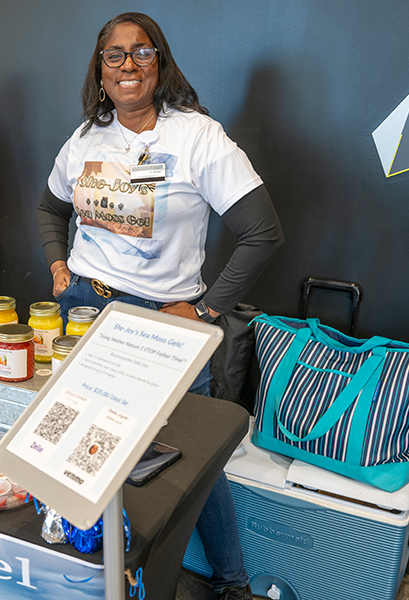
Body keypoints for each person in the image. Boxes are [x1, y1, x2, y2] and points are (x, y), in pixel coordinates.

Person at [37, 13, 284, 600]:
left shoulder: (197, 136)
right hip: (84, 311)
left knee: (194, 457)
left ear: (160, 63)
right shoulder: (86, 138)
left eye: (141, 52)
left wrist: (205, 312)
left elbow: (262, 233)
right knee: (84, 445)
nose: (127, 64)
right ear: (99, 72)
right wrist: (57, 264)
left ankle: (231, 585)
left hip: (162, 325)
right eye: (114, 55)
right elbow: (51, 209)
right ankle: (104, 572)